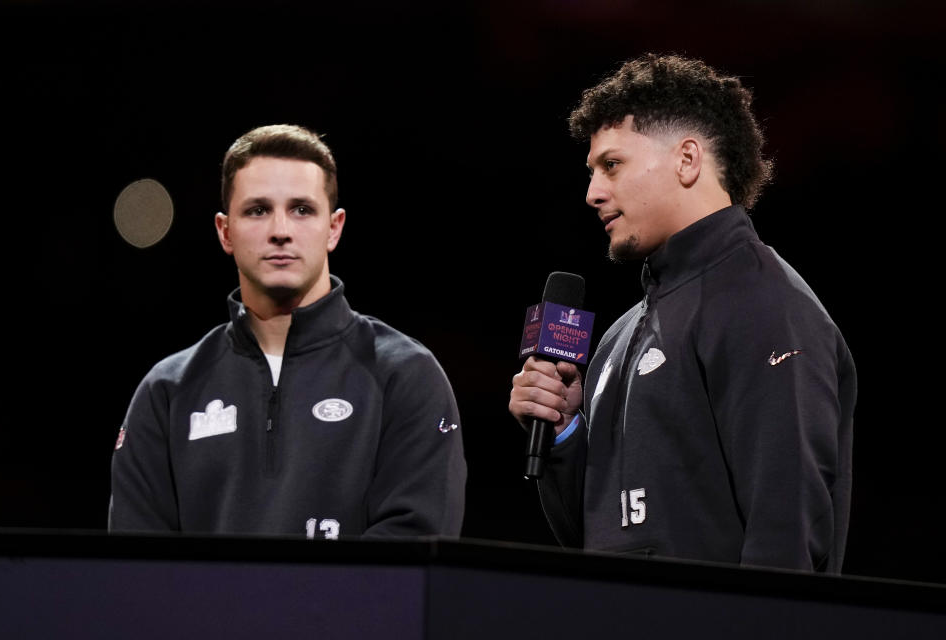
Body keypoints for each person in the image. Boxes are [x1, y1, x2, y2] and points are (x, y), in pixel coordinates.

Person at [508, 54, 856, 572]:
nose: (593, 192)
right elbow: (596, 535)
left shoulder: (765, 306)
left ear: (687, 159)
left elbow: (787, 532)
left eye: (612, 164)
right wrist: (561, 432)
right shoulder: (620, 336)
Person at [110, 124, 466, 538]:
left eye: (301, 209)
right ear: (225, 231)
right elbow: (137, 567)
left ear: (334, 227)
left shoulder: (404, 376)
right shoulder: (167, 391)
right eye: (258, 210)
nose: (281, 230)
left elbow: (415, 549)